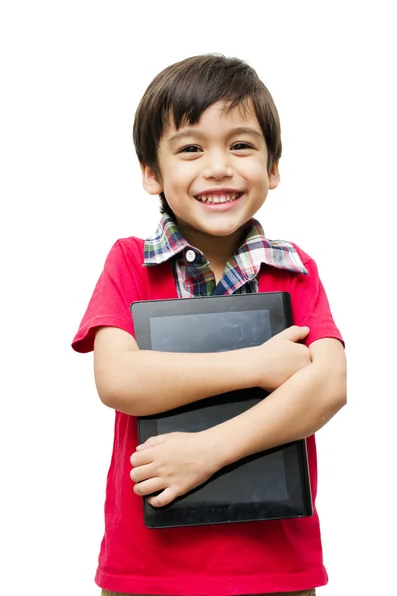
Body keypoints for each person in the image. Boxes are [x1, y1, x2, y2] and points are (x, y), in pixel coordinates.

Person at [72, 54, 346, 596]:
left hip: (275, 567)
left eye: (241, 145)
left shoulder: (294, 270)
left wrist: (208, 451)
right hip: (148, 570)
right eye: (191, 148)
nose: (218, 166)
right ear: (152, 172)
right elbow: (119, 380)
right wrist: (260, 364)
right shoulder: (130, 262)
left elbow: (329, 387)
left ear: (273, 168)